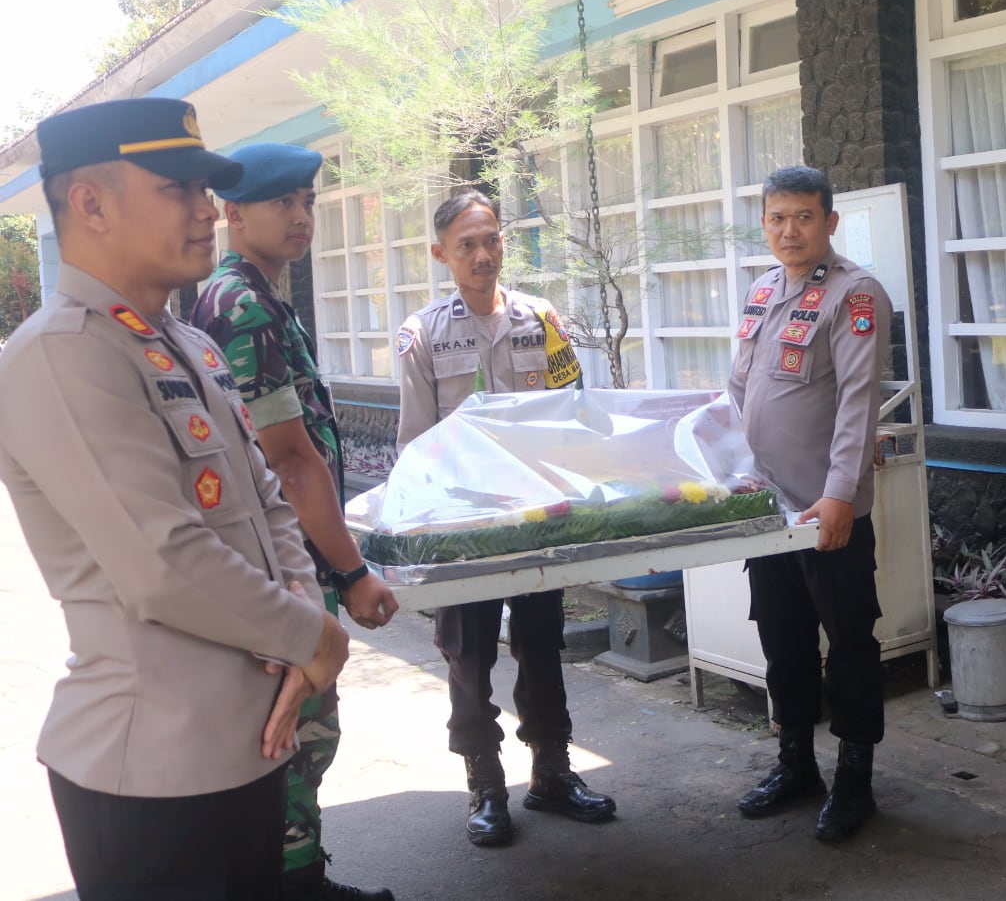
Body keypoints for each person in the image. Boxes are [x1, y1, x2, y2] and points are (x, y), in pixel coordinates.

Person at [0, 98, 350, 899]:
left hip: (248, 745)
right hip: (150, 774)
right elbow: (163, 562)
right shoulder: (61, 357)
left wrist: (300, 609)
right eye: (178, 189)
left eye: (207, 191)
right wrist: (313, 632)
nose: (205, 211)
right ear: (89, 203)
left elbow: (267, 500)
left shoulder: (182, 344)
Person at [191, 142, 398, 901]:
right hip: (278, 569)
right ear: (232, 212)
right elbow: (290, 459)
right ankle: (293, 883)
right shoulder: (243, 305)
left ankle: (299, 875)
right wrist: (351, 572)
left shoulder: (256, 297)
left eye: (306, 201)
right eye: (282, 203)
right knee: (298, 732)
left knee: (296, 731)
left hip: (273, 562)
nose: (301, 216)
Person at [393, 190, 614, 846]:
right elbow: (415, 445)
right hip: (464, 526)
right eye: (467, 244)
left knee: (542, 643)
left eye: (491, 240)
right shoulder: (422, 335)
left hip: (536, 516)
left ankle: (552, 772)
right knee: (467, 655)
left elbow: (572, 416)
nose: (483, 254)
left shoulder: (541, 319)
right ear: (441, 254)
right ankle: (486, 787)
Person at [728, 164, 892, 843]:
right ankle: (796, 761)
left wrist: (839, 494)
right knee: (781, 637)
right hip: (767, 510)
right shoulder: (763, 291)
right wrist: (736, 471)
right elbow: (740, 391)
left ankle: (855, 777)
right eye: (776, 218)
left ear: (830, 221)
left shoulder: (855, 295)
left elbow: (858, 403)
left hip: (826, 510)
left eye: (802, 216)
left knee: (849, 642)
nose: (788, 230)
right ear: (763, 224)